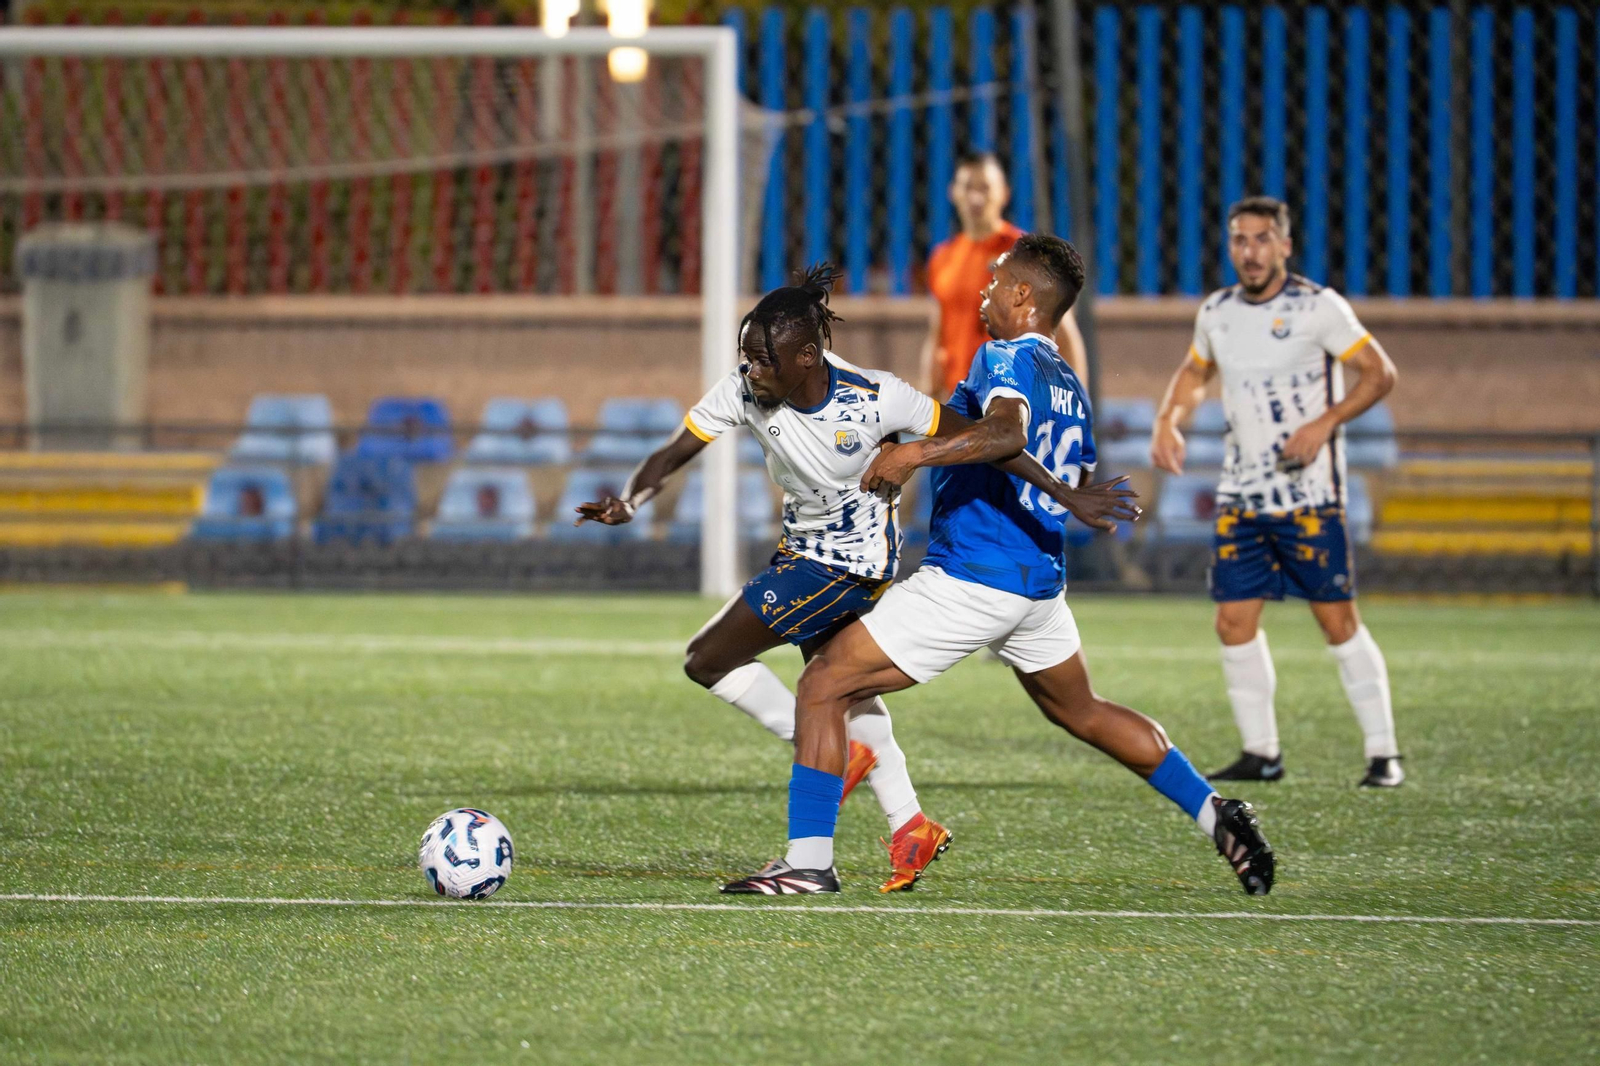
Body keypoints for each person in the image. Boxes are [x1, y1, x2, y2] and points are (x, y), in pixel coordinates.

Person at [721, 236, 1272, 898]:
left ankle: (809, 862)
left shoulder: (1005, 355)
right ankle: (1218, 814)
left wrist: (913, 455)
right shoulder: (1068, 381)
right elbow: (1066, 462)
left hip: (976, 574)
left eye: (995, 282)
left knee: (821, 684)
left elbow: (1006, 434)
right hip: (1038, 578)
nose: (982, 293)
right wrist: (1066, 492)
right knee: (1083, 710)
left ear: (1023, 297)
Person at [578, 265, 1137, 892]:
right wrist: (629, 499)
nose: (751, 370)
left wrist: (1067, 493)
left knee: (708, 659)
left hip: (851, 566)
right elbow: (677, 449)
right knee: (844, 693)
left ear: (809, 355)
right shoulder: (743, 390)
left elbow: (993, 441)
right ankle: (909, 824)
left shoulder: (878, 396)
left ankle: (814, 839)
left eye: (764, 360)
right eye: (747, 357)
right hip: (802, 553)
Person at [1149, 196, 1403, 789]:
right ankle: (1261, 752)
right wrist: (1168, 419)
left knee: (1337, 621)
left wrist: (1324, 423)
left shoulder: (1319, 308)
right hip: (1241, 495)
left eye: (1263, 239)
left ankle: (1383, 754)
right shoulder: (1217, 312)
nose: (1250, 251)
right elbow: (1194, 372)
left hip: (1310, 498)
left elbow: (1380, 373)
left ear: (1285, 246)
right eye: (1240, 239)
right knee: (1233, 622)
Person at [923, 151, 1087, 400]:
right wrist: (928, 395)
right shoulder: (943, 258)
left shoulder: (1025, 254)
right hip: (961, 402)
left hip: (1015, 401)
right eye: (968, 187)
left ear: (1004, 193)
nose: (976, 198)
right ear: (953, 193)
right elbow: (938, 334)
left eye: (985, 188)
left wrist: (1075, 406)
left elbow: (1064, 332)